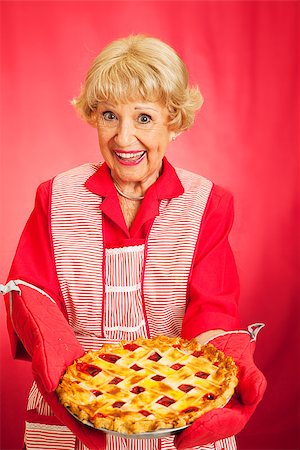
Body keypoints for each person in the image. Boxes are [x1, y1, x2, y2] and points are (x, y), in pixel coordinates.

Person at [1, 35, 266, 450]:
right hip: (73, 403)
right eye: (110, 115)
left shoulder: (207, 204)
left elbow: (211, 307)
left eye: (144, 118)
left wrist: (225, 358)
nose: (124, 139)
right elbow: (31, 292)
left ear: (173, 121)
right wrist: (59, 359)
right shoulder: (56, 196)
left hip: (177, 406)